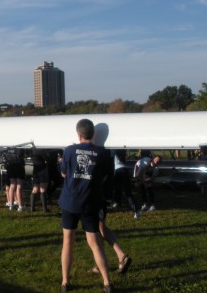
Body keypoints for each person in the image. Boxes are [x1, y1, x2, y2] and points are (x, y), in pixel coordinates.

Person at [59, 119, 113, 293]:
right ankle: (107, 283)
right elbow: (106, 176)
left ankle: (65, 283)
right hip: (90, 203)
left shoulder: (69, 150)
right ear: (93, 135)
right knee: (95, 243)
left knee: (68, 242)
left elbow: (63, 172)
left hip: (70, 202)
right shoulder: (103, 153)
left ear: (79, 135)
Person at [110, 149, 138, 218]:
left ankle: (117, 203)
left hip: (117, 170)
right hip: (124, 169)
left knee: (117, 188)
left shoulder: (112, 150)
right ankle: (134, 209)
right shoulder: (122, 150)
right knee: (127, 190)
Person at [4, 147, 26, 212]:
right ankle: (20, 206)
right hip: (19, 165)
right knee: (19, 187)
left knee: (12, 185)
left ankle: (11, 205)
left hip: (11, 165)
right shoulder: (20, 145)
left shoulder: (9, 145)